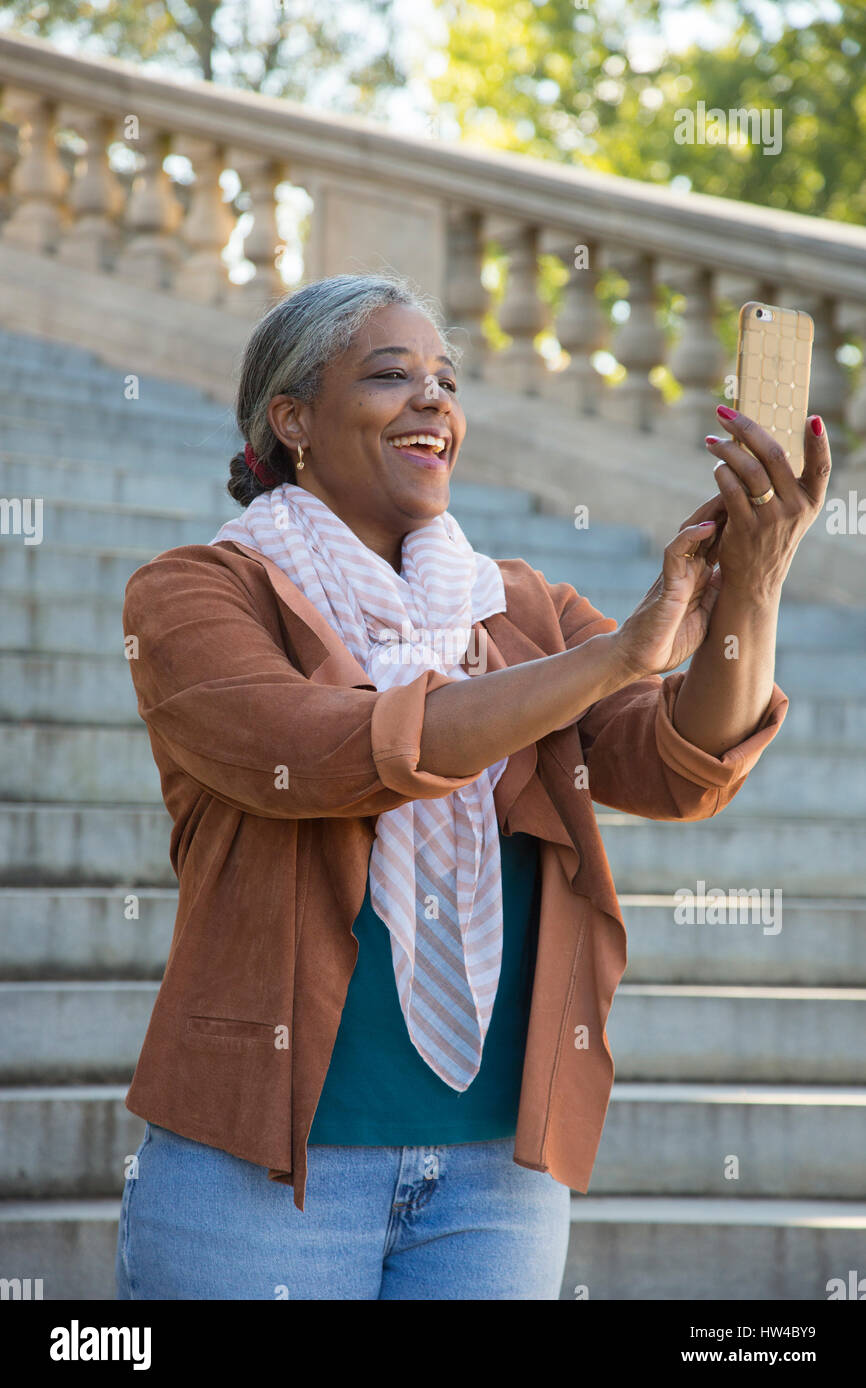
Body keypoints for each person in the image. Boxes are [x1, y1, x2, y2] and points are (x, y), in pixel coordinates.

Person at [115, 271, 830, 1300]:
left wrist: (753, 581)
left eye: (446, 380)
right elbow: (331, 750)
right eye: (391, 374)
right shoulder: (196, 592)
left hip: (495, 1171)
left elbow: (676, 762)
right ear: (293, 419)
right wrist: (620, 654)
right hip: (259, 1169)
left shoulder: (519, 608)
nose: (434, 400)